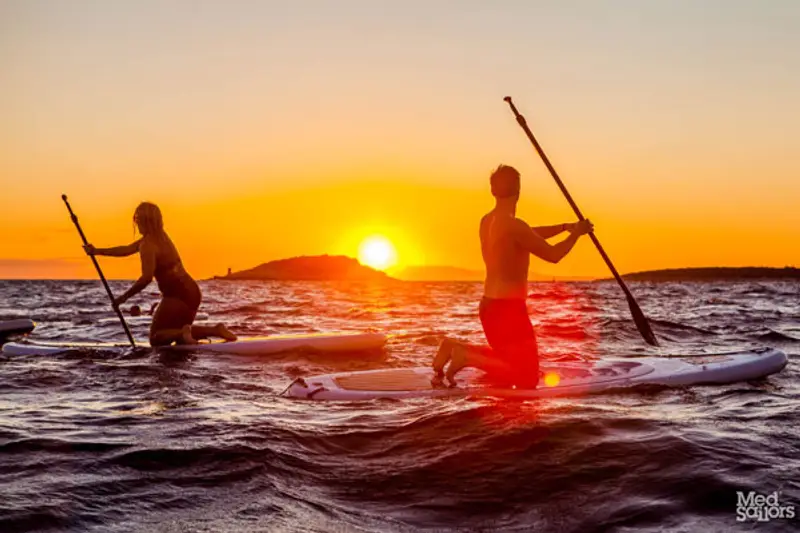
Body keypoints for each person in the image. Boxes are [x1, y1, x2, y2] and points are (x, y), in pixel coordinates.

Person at [432, 165, 593, 388]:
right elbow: (553, 255)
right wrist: (577, 234)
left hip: (488, 306)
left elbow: (530, 232)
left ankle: (452, 347)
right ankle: (466, 357)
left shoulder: (488, 221)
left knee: (507, 361)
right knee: (527, 377)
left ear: (492, 190)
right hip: (508, 311)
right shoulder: (515, 226)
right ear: (518, 190)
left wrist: (566, 227)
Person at [84, 202, 237, 346]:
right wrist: (97, 251)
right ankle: (215, 330)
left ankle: (186, 334)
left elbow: (146, 278)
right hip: (192, 291)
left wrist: (122, 299)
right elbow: (126, 249)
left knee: (156, 337)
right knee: (179, 331)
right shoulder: (162, 238)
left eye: (137, 220)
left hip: (176, 294)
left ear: (144, 221)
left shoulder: (147, 245)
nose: (136, 224)